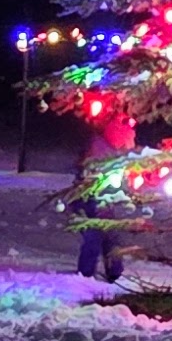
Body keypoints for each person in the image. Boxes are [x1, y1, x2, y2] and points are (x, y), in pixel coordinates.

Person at [74, 113, 135, 281]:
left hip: (106, 199)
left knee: (109, 236)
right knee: (95, 236)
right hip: (90, 199)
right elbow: (86, 175)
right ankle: (87, 274)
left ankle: (111, 272)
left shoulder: (115, 151)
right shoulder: (99, 149)